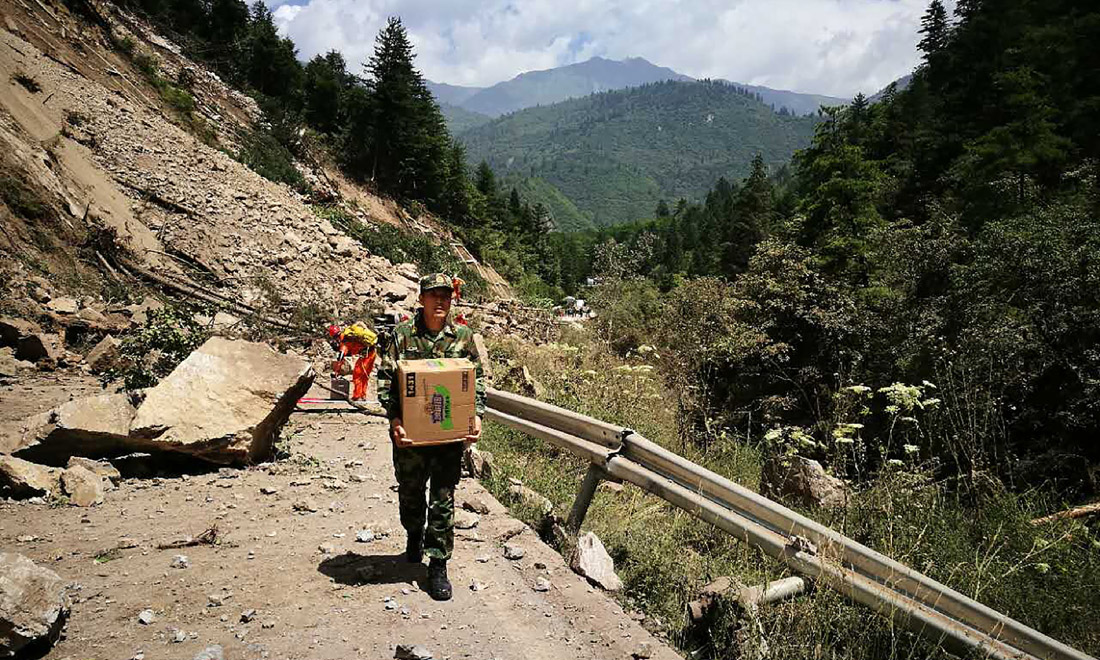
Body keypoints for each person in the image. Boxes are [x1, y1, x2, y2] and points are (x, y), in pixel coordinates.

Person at [376, 273, 486, 601]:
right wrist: (394, 420)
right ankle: (413, 533)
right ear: (421, 299)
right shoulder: (402, 335)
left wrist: (476, 415)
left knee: (443, 498)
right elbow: (385, 381)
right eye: (433, 296)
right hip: (410, 436)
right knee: (410, 493)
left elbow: (475, 381)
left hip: (448, 438)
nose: (440, 302)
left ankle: (438, 563)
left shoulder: (464, 337)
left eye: (446, 296)